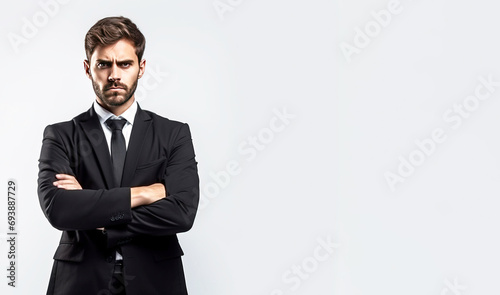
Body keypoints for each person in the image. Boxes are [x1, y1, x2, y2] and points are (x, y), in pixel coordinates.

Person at [37, 16, 199, 295]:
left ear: (141, 67)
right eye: (104, 64)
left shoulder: (174, 134)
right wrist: (145, 194)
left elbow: (181, 213)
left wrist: (96, 217)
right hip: (80, 281)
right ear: (88, 69)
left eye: (125, 64)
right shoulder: (61, 135)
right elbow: (60, 209)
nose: (114, 74)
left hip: (156, 279)